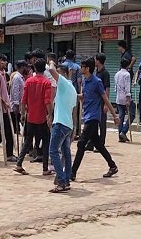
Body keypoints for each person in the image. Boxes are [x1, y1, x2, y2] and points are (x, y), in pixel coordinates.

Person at [71, 57, 120, 181]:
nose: (80, 68)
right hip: (87, 116)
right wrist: (74, 95)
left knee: (81, 144)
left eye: (82, 66)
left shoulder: (97, 81)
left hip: (93, 117)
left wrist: (114, 116)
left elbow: (105, 99)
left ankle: (72, 173)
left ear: (87, 69)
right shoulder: (84, 80)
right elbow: (84, 96)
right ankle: (112, 165)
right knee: (98, 144)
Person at [14, 58, 52, 175]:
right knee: (46, 142)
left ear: (35, 68)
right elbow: (47, 101)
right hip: (41, 117)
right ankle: (45, 168)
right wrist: (50, 115)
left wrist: (23, 113)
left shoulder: (29, 81)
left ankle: (19, 163)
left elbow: (24, 99)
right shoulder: (46, 83)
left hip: (31, 116)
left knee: (28, 141)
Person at [47, 62, 77, 193]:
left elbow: (52, 69)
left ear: (63, 75)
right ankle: (67, 180)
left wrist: (51, 61)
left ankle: (62, 181)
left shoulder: (64, 83)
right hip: (68, 124)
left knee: (53, 151)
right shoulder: (73, 89)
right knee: (66, 153)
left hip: (60, 123)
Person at [86, 53, 110, 151]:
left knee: (102, 124)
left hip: (102, 101)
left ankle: (100, 144)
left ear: (99, 61)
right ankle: (91, 143)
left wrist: (106, 104)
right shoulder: (96, 73)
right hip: (96, 102)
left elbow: (107, 88)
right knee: (94, 123)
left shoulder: (105, 73)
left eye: (96, 60)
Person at [62, 49, 82, 138]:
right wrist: (80, 92)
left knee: (65, 111)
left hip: (63, 92)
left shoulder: (61, 66)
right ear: (74, 57)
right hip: (73, 92)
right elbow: (79, 81)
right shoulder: (77, 67)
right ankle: (74, 131)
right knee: (74, 112)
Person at [115, 58, 136, 142]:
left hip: (118, 97)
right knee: (132, 115)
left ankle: (121, 134)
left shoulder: (117, 74)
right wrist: (128, 99)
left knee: (121, 116)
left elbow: (116, 87)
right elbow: (127, 88)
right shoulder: (127, 74)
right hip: (125, 97)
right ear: (128, 65)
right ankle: (123, 132)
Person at [10, 60, 28, 140]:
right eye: (26, 67)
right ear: (22, 67)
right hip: (18, 107)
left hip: (21, 106)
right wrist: (16, 105)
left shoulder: (21, 77)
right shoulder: (17, 78)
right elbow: (15, 92)